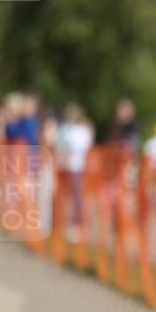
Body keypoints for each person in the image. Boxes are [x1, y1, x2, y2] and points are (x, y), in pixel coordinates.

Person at [55, 103, 94, 242]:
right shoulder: (67, 128)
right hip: (66, 165)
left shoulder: (82, 130)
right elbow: (60, 143)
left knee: (77, 195)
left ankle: (77, 224)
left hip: (77, 166)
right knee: (66, 196)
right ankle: (65, 222)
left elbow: (82, 146)